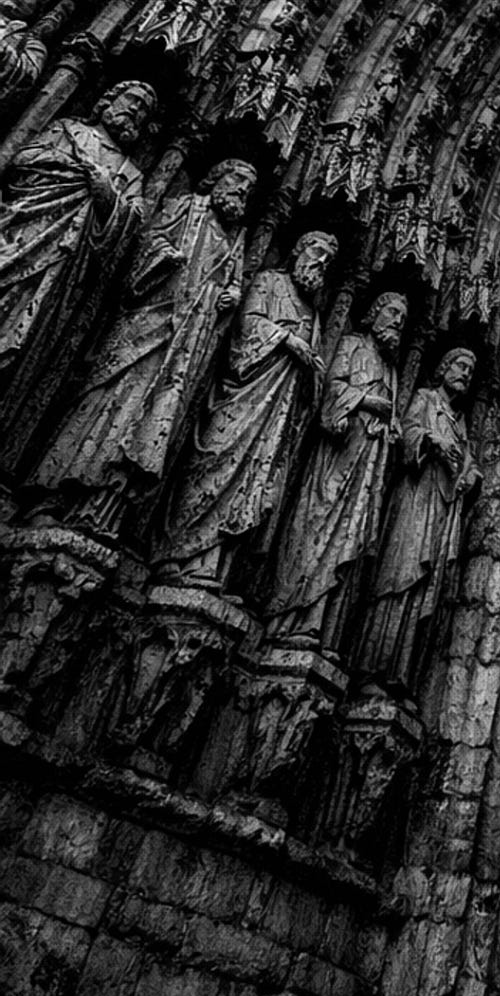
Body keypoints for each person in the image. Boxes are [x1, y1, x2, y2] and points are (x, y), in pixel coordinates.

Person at [30, 158, 256, 535]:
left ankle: (101, 514)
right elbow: (146, 243)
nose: (242, 190)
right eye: (237, 178)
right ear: (215, 178)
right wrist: (164, 256)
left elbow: (230, 286)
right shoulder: (184, 207)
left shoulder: (234, 242)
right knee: (109, 402)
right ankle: (52, 496)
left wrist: (230, 295)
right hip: (149, 325)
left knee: (149, 426)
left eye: (249, 188)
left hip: (185, 348)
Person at [157, 229, 335, 588]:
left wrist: (310, 367)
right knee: (215, 459)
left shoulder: (314, 313)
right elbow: (246, 324)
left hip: (277, 413)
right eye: (317, 251)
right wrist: (287, 340)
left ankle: (214, 569)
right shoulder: (269, 281)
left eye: (328, 260)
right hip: (244, 394)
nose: (321, 262)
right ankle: (174, 553)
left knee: (255, 483)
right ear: (297, 250)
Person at [0, 77, 157, 465]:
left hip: (66, 270)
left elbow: (130, 228)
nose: (135, 110)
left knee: (22, 336)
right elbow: (22, 161)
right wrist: (74, 170)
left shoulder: (131, 174)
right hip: (22, 232)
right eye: (132, 99)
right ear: (108, 99)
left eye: (144, 110)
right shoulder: (68, 129)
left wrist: (107, 194)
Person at [266, 287, 406, 656]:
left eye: (403, 319)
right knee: (316, 523)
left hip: (367, 466)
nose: (397, 322)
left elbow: (390, 412)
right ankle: (289, 617)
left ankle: (320, 627)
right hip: (336, 458)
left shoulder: (391, 369)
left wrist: (392, 426)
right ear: (372, 314)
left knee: (351, 540)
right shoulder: (351, 345)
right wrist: (367, 402)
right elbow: (331, 390)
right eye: (392, 312)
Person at [356, 345, 480, 695]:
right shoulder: (425, 399)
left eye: (470, 371)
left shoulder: (459, 420)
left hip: (442, 507)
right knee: (401, 575)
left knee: (427, 589)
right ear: (442, 368)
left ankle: (401, 679)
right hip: (416, 498)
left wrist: (471, 476)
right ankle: (372, 669)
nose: (465, 374)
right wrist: (432, 440)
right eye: (460, 366)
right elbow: (406, 432)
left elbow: (468, 460)